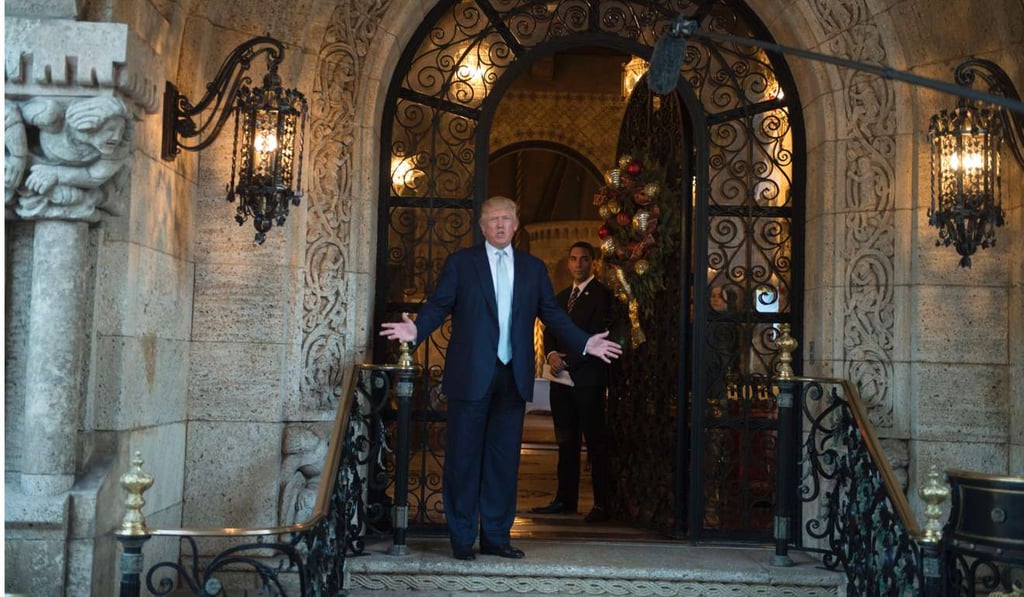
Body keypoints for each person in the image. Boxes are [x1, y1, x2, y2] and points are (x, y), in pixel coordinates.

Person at [380, 196, 622, 561]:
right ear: (481, 226)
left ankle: (495, 536)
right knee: (463, 460)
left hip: (513, 377)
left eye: (506, 218)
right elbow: (439, 304)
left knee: (503, 461)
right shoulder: (462, 264)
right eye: (492, 219)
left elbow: (553, 315)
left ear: (516, 224)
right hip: (470, 376)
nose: (499, 224)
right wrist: (416, 332)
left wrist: (585, 342)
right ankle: (462, 537)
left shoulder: (533, 268)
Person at [532, 241, 615, 522]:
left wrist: (569, 360)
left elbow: (599, 335)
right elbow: (550, 328)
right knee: (565, 441)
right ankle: (565, 499)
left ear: (593, 263)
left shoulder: (603, 296)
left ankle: (603, 504)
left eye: (584, 259)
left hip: (587, 380)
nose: (578, 264)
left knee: (595, 443)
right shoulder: (561, 296)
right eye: (573, 259)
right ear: (567, 262)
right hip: (560, 380)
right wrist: (552, 354)